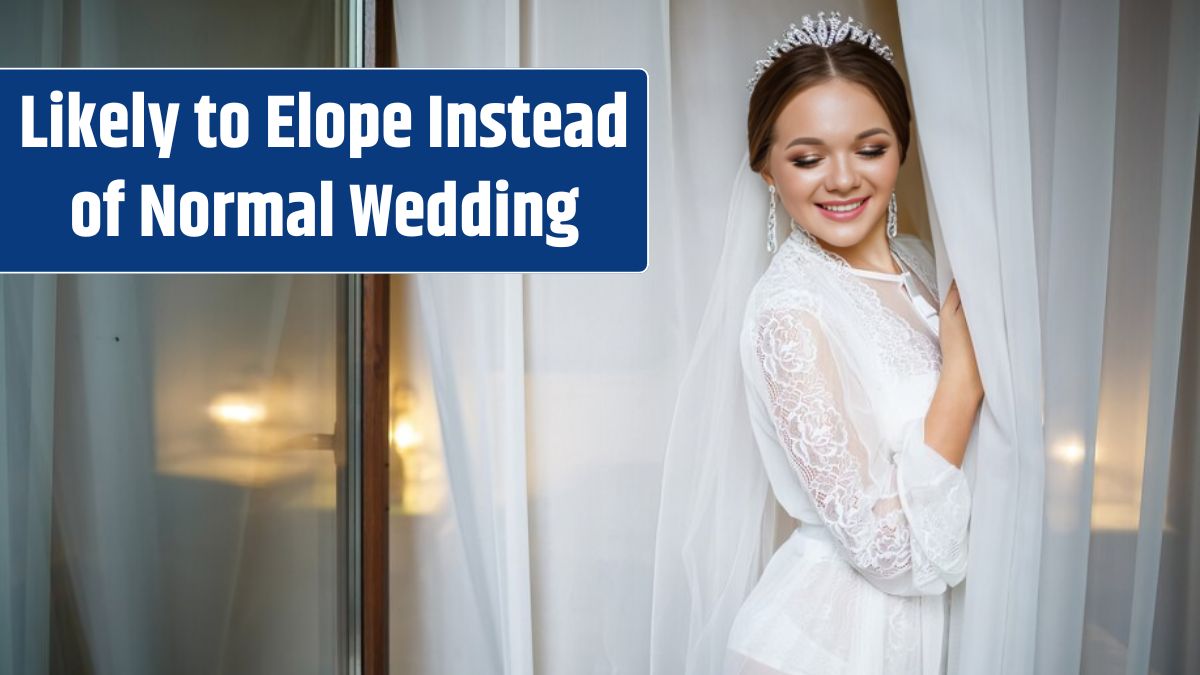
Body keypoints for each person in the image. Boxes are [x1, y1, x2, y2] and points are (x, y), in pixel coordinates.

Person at [648, 11, 984, 675]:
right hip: (821, 649)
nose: (842, 179)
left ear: (903, 148)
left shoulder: (923, 264)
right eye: (807, 157)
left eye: (870, 148)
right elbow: (886, 552)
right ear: (769, 171)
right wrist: (961, 383)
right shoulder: (789, 313)